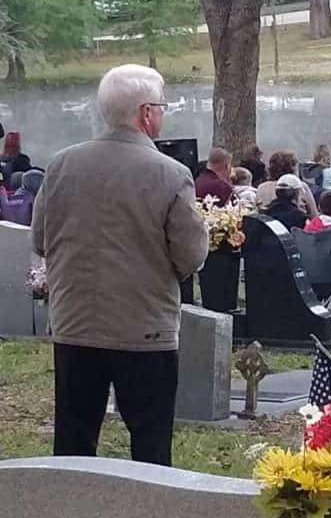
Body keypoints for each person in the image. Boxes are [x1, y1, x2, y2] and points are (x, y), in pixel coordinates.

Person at [31, 64, 208, 466]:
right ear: (147, 113)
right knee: (149, 442)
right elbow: (191, 255)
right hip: (144, 329)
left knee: (73, 442)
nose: (163, 115)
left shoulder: (60, 165)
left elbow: (40, 240)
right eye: (162, 107)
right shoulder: (171, 173)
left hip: (74, 324)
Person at [256, 150, 316, 218]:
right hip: (295, 225)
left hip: (267, 226)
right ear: (292, 168)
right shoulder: (300, 186)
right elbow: (314, 215)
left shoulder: (262, 187)